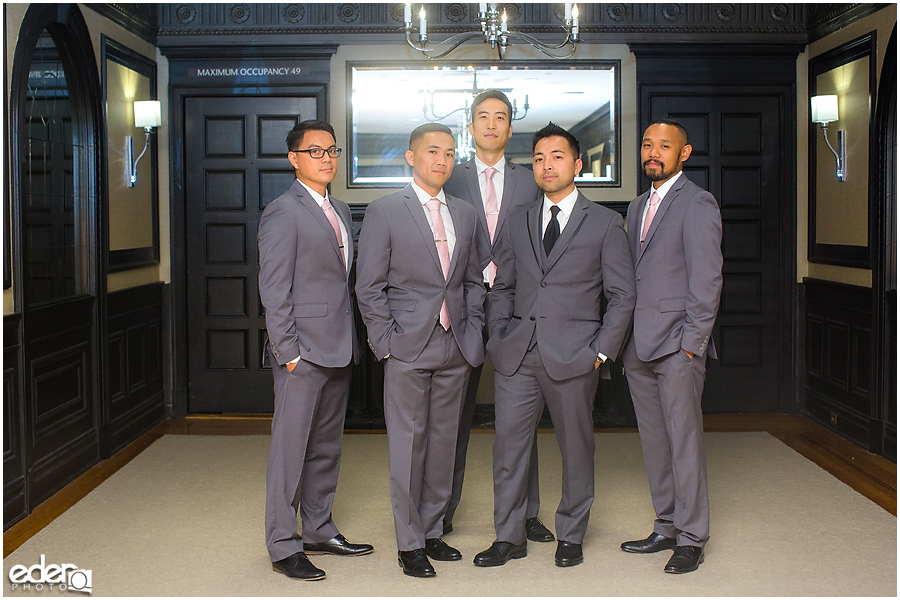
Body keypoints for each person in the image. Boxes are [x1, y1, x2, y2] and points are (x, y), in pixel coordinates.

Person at [474, 122, 635, 569]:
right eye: (540, 158)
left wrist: (601, 351)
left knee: (576, 448)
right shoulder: (519, 218)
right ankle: (508, 537)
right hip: (517, 353)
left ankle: (571, 534)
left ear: (577, 164)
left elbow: (622, 295)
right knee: (508, 448)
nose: (547, 165)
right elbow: (503, 284)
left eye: (557, 157)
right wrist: (498, 335)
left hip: (575, 354)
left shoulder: (604, 222)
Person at [355, 123, 486, 578]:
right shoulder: (385, 211)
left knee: (444, 444)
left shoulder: (467, 214)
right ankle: (408, 543)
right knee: (408, 447)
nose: (443, 160)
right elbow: (368, 287)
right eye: (433, 152)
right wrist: (386, 343)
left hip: (456, 344)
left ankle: (432, 531)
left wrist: (475, 330)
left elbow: (471, 281)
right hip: (407, 346)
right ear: (411, 157)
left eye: (450, 153)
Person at [258, 120, 374, 582]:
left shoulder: (341, 209)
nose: (326, 158)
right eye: (315, 151)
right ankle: (284, 544)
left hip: (339, 348)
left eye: (332, 151)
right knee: (290, 451)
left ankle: (319, 529)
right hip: (301, 354)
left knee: (326, 448)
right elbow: (274, 287)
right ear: (294, 159)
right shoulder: (282, 211)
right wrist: (288, 352)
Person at [442, 90, 552, 543]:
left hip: (516, 308)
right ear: (470, 127)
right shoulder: (449, 175)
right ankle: (441, 511)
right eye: (482, 117)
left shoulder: (532, 181)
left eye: (500, 117)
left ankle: (525, 514)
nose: (491, 124)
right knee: (452, 418)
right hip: (461, 307)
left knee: (520, 418)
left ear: (511, 128)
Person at [620, 119, 723, 574]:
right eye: (647, 145)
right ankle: (665, 525)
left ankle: (693, 536)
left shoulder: (698, 202)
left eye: (664, 145)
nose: (653, 152)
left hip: (678, 345)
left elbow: (707, 280)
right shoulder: (636, 205)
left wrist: (692, 345)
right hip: (638, 345)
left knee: (684, 442)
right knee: (655, 442)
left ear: (684, 153)